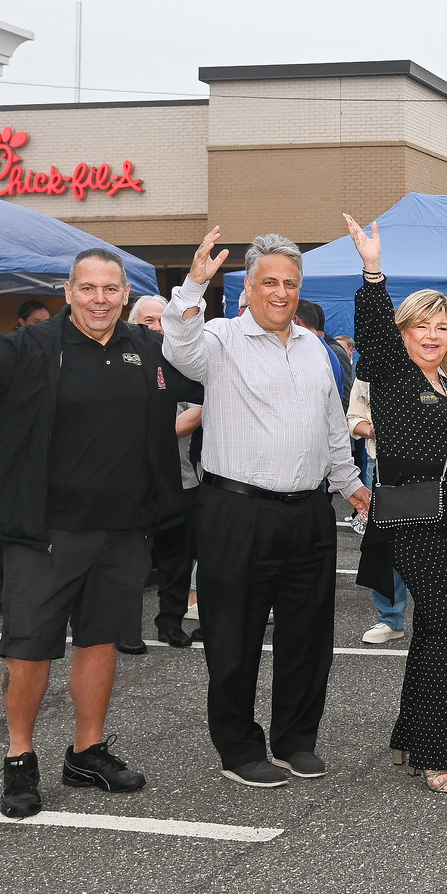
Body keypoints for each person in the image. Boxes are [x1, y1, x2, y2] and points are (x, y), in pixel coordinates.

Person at [0, 251, 186, 818]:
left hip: (123, 529)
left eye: (111, 289)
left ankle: (87, 752)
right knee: (29, 647)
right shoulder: (30, 347)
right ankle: (20, 757)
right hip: (44, 531)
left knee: (101, 640)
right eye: (88, 288)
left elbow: (206, 371)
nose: (100, 299)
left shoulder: (147, 349)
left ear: (125, 295)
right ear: (68, 292)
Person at [163, 227, 369, 789]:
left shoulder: (314, 348)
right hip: (237, 511)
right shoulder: (220, 337)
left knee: (308, 637)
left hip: (308, 513)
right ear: (249, 287)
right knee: (234, 636)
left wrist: (351, 483)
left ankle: (295, 740)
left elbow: (332, 425)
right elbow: (178, 348)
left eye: (290, 283)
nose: (281, 292)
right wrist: (193, 287)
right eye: (270, 282)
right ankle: (238, 749)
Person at [340, 216, 447, 792]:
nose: (431, 336)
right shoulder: (394, 373)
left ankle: (408, 734)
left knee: (433, 629)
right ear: (403, 333)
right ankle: (431, 752)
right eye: (421, 326)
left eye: (441, 328)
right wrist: (373, 271)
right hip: (414, 518)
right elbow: (372, 336)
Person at [130, 294, 205, 650]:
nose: (156, 327)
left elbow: (198, 410)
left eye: (162, 320)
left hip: (181, 478)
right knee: (129, 560)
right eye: (147, 320)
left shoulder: (183, 362)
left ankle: (171, 623)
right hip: (129, 482)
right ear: (132, 323)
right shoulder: (120, 362)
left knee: (178, 558)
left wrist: (154, 431)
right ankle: (124, 628)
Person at [347, 378, 412, 645]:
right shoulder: (369, 372)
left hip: (434, 467)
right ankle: (391, 618)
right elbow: (354, 418)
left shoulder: (437, 363)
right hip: (382, 464)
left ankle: (440, 619)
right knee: (384, 544)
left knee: (434, 543)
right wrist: (371, 430)